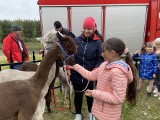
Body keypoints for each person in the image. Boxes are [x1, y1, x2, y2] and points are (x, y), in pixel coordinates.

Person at [69, 38, 137, 120]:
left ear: (112, 53)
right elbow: (90, 75)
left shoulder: (118, 72)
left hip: (109, 115)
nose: (101, 54)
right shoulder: (104, 65)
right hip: (99, 111)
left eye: (104, 51)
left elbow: (117, 98)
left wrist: (94, 93)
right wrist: (75, 66)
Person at [70, 16, 104, 120]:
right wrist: (69, 65)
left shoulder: (98, 42)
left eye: (89, 29)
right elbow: (72, 55)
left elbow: (100, 58)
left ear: (93, 29)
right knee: (78, 95)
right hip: (76, 74)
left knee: (90, 95)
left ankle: (91, 112)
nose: (86, 31)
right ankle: (78, 113)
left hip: (90, 75)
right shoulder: (76, 40)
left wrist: (95, 70)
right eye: (84, 28)